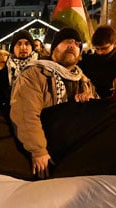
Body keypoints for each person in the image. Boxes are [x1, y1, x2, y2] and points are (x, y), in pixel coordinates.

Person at [9, 27, 97, 179]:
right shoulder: (35, 73)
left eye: (77, 44)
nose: (72, 45)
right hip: (47, 154)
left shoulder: (84, 81)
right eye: (67, 41)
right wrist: (38, 150)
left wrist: (90, 101)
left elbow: (99, 113)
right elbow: (25, 113)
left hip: (73, 153)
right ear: (54, 48)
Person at [0, 30, 39, 117]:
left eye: (27, 43)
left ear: (32, 47)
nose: (23, 47)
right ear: (13, 48)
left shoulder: (40, 70)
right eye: (19, 43)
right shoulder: (2, 75)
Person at [79, 25, 116, 96]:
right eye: (97, 49)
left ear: (114, 44)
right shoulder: (87, 61)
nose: (99, 52)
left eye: (104, 49)